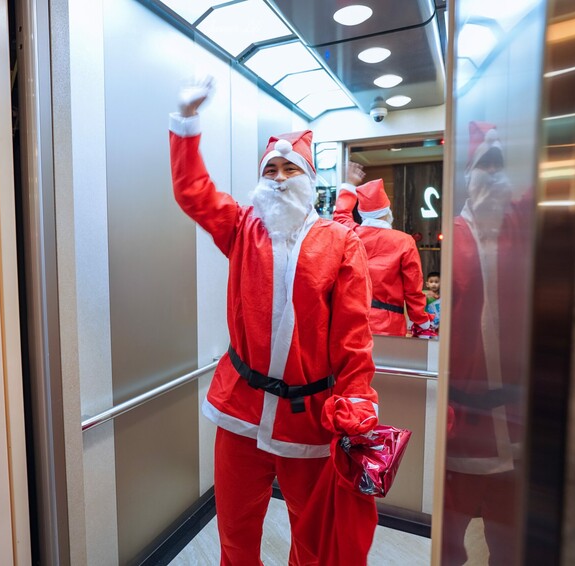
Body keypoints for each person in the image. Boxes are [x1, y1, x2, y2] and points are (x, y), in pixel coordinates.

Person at [169, 79, 380, 565]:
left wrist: (357, 397)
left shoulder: (340, 242)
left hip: (310, 420)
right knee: (235, 536)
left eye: (290, 168)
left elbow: (354, 336)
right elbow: (193, 193)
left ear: (309, 179)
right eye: (271, 169)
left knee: (313, 542)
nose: (280, 178)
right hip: (239, 409)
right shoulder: (242, 227)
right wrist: (186, 123)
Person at [442, 121, 532, 565]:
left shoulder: (519, 225)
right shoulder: (454, 236)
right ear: (468, 175)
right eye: (485, 165)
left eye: (500, 165)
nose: (494, 174)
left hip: (515, 425)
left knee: (508, 546)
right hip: (462, 428)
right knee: (448, 545)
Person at [333, 165, 436, 339]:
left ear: (363, 214)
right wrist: (421, 321)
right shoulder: (404, 241)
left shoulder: (350, 233)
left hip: (349, 321)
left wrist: (349, 184)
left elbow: (340, 215)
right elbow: (413, 289)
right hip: (388, 325)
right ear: (388, 213)